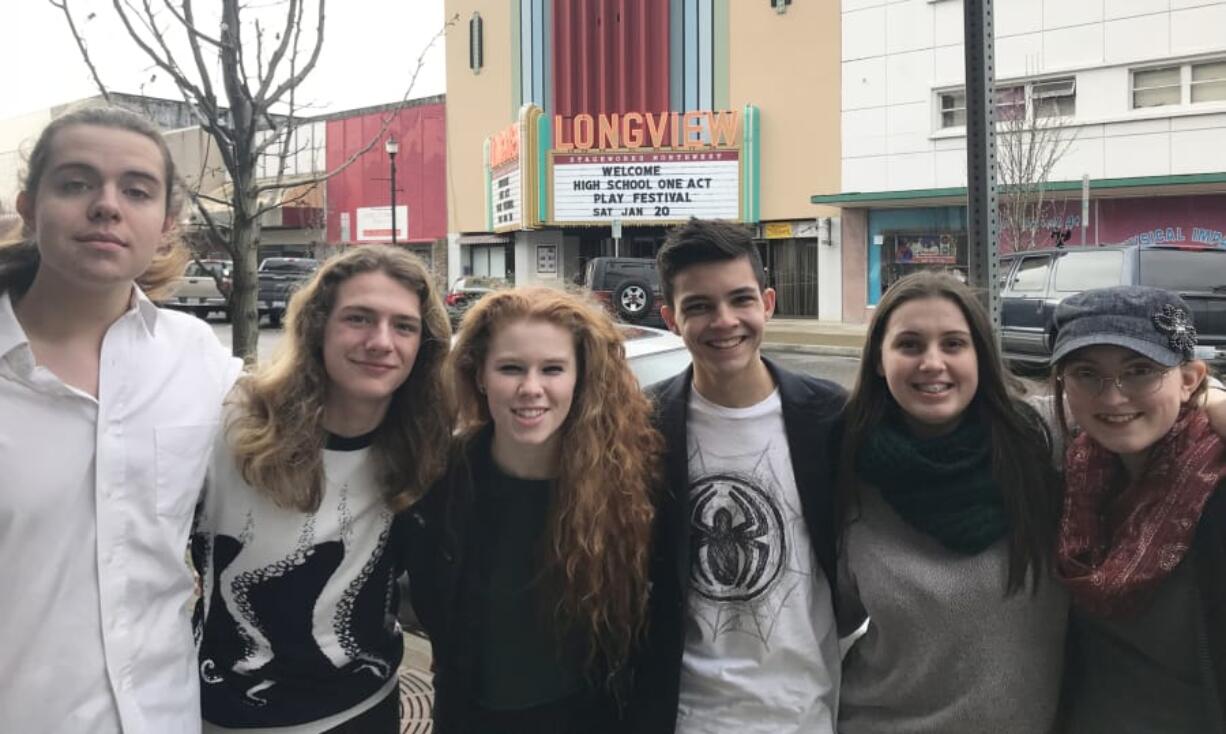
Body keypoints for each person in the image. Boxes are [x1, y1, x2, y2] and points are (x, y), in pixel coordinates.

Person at [0, 105, 242, 733]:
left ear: (166, 223)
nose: (107, 206)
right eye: (76, 183)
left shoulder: (198, 360)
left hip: (163, 716)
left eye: (135, 190)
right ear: (29, 207)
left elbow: (309, 436)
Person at [192, 245, 453, 733]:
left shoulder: (424, 445)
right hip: (224, 712)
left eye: (404, 326)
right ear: (318, 327)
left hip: (361, 709)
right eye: (358, 318)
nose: (381, 341)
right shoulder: (230, 423)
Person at [401, 287, 663, 732]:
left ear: (581, 377)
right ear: (480, 375)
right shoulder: (441, 479)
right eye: (510, 368)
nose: (531, 388)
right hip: (468, 717)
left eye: (553, 369)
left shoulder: (632, 486)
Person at [634, 218, 846, 734]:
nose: (724, 321)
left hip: (806, 714)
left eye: (740, 300)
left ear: (767, 303)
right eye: (699, 306)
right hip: (685, 717)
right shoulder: (640, 427)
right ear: (670, 318)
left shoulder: (832, 418)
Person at [835, 270, 1067, 734]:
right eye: (910, 345)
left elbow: (1153, 404)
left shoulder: (1044, 439)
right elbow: (829, 621)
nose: (932, 363)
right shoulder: (846, 466)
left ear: (980, 355)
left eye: (954, 344)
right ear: (880, 361)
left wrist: (1212, 396)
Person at [1048, 286, 1226, 733]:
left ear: (1189, 379)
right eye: (1087, 374)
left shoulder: (1215, 493)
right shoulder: (1069, 472)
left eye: (1140, 370)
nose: (1112, 398)